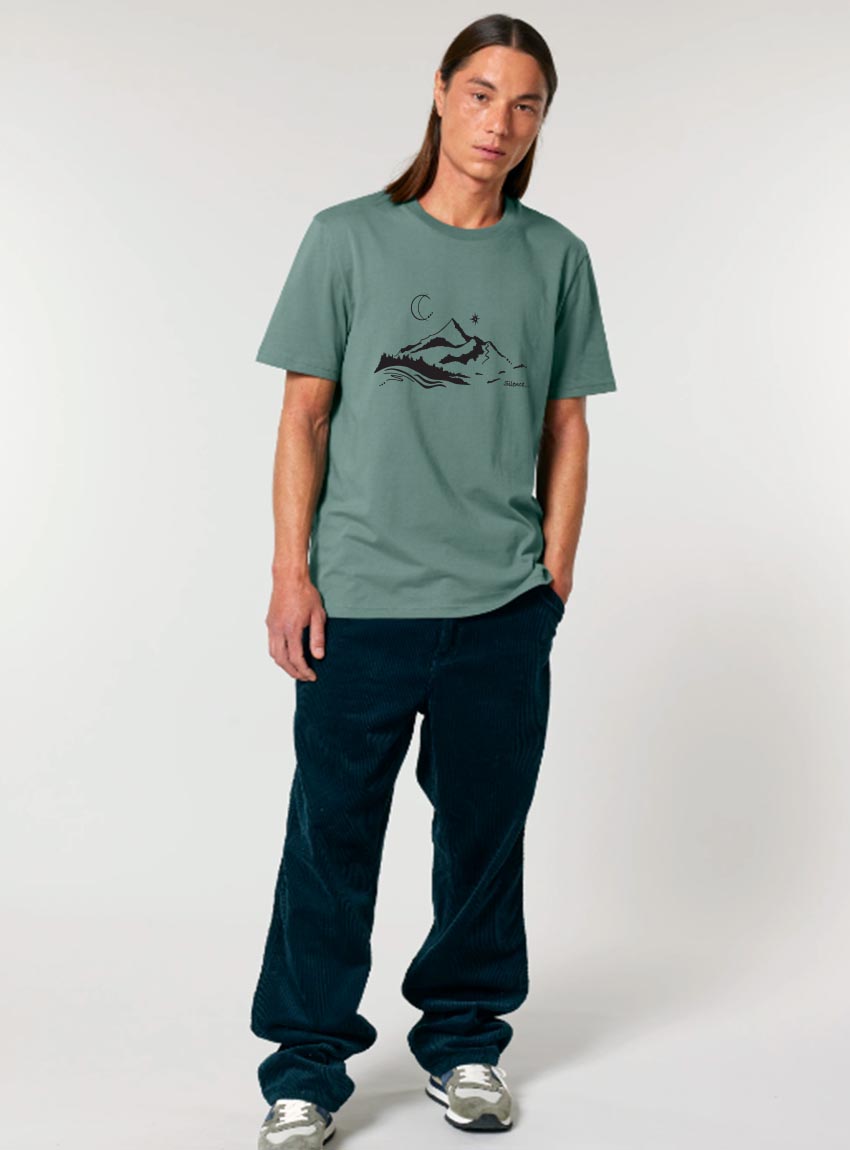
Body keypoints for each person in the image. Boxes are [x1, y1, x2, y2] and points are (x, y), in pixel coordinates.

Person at [249, 14, 617, 1148]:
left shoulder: (556, 256)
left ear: (541, 121)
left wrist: (552, 576)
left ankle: (464, 1043)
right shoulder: (347, 238)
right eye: (481, 93)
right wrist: (292, 574)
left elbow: (567, 426)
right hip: (359, 604)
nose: (499, 122)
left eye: (526, 103)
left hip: (500, 609)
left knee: (482, 844)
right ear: (442, 94)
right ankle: (304, 1070)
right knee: (331, 841)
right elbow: (304, 418)